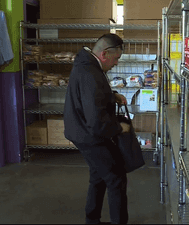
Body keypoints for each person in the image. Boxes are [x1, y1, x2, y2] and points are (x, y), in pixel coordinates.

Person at [64, 33, 130, 224]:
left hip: (82, 129)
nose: (116, 63)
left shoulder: (89, 66)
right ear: (105, 53)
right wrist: (119, 128)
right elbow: (96, 119)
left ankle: (92, 219)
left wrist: (112, 95)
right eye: (116, 58)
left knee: (99, 175)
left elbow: (93, 97)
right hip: (88, 134)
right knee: (116, 178)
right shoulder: (90, 73)